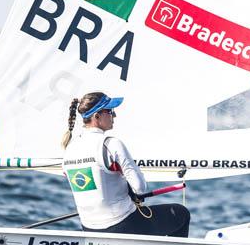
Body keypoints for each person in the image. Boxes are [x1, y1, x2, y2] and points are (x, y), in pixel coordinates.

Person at [61, 91, 190, 237]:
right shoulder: (111, 144)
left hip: (89, 228)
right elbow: (140, 188)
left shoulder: (69, 148)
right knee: (181, 213)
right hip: (123, 224)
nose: (114, 115)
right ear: (97, 116)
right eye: (110, 111)